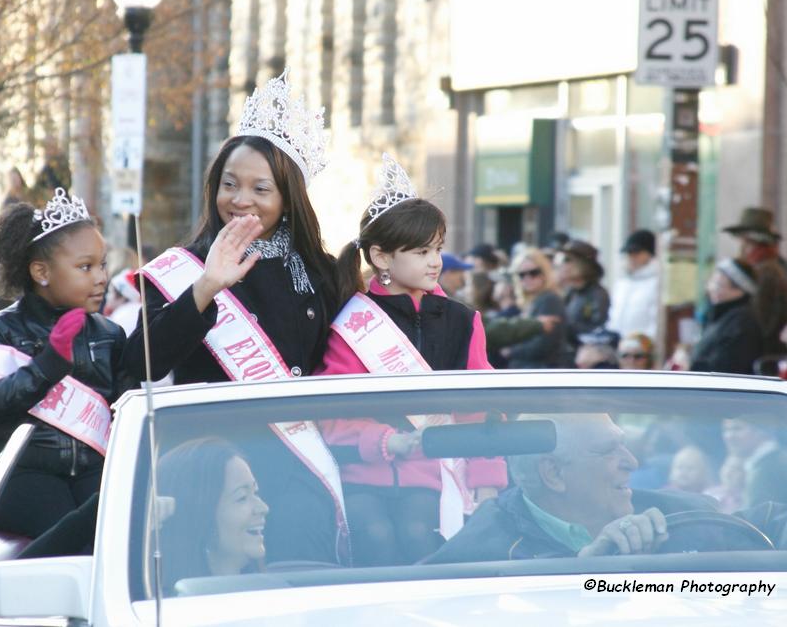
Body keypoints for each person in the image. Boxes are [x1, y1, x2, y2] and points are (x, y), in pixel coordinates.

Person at [124, 70, 345, 566]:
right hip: (211, 472)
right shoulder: (183, 265)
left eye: (260, 189)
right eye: (230, 184)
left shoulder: (321, 273)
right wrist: (205, 287)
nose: (240, 200)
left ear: (288, 198)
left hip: (296, 466)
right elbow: (137, 364)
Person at [315, 154, 505, 566]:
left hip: (437, 475)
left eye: (437, 248)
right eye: (421, 251)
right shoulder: (351, 322)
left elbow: (480, 410)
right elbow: (331, 412)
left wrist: (487, 480)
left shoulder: (462, 321)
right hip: (362, 473)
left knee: (423, 539)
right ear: (382, 258)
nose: (436, 261)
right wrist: (385, 441)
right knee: (374, 539)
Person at [0, 187, 134, 540]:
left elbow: (123, 407)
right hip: (22, 473)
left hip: (90, 468)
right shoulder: (1, 329)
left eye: (102, 265)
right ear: (41, 272)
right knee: (66, 535)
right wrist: (49, 364)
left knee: (117, 532)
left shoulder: (109, 333)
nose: (101, 277)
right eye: (85, 267)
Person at [424, 413, 717, 563]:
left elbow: (756, 527)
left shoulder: (681, 513)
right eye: (608, 451)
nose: (632, 462)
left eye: (623, 445)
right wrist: (585, 569)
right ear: (553, 474)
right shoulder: (486, 548)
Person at [158, 437, 270, 592]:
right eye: (242, 498)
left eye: (255, 492)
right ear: (199, 515)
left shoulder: (273, 596)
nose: (263, 508)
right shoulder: (171, 610)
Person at [722, 207, 787, 355]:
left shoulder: (768, 273)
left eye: (747, 243)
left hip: (762, 354)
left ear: (762, 247)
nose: (742, 249)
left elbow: (763, 322)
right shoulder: (770, 270)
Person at [689, 258, 763, 374]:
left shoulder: (742, 322)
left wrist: (691, 366)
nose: (712, 289)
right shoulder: (720, 315)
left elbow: (728, 367)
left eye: (720, 285)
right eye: (712, 282)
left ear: (740, 290)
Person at [502, 248, 566, 369]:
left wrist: (511, 350)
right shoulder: (532, 301)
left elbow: (543, 345)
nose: (527, 278)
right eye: (521, 274)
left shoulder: (549, 299)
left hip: (541, 375)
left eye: (533, 273)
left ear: (544, 273)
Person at [556, 240, 611, 365]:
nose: (561, 265)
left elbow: (597, 331)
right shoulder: (570, 292)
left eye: (567, 260)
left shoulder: (597, 295)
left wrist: (566, 326)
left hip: (584, 361)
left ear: (582, 264)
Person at [721, 415, 787, 508]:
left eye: (737, 429)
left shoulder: (773, 466)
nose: (729, 436)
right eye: (726, 430)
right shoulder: (764, 465)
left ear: (762, 431)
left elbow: (758, 517)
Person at [607, 229, 660, 343]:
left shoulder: (657, 284)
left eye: (636, 253)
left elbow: (656, 322)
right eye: (629, 253)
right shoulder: (621, 284)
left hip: (642, 349)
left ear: (650, 254)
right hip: (618, 346)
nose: (631, 257)